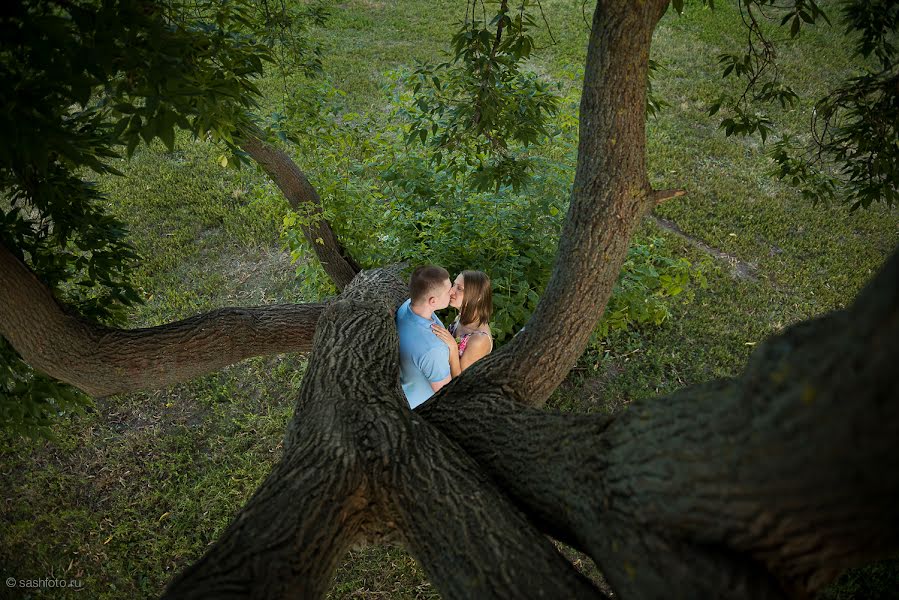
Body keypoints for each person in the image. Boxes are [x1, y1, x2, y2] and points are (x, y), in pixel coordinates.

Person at [396, 265, 453, 408]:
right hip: (425, 410)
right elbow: (447, 396)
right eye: (448, 291)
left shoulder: (407, 307)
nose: (452, 292)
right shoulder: (433, 349)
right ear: (433, 301)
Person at [431, 270, 493, 377]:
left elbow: (460, 380)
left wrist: (453, 347)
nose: (451, 291)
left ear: (478, 297)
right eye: (454, 285)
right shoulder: (461, 316)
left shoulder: (479, 339)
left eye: (459, 289)